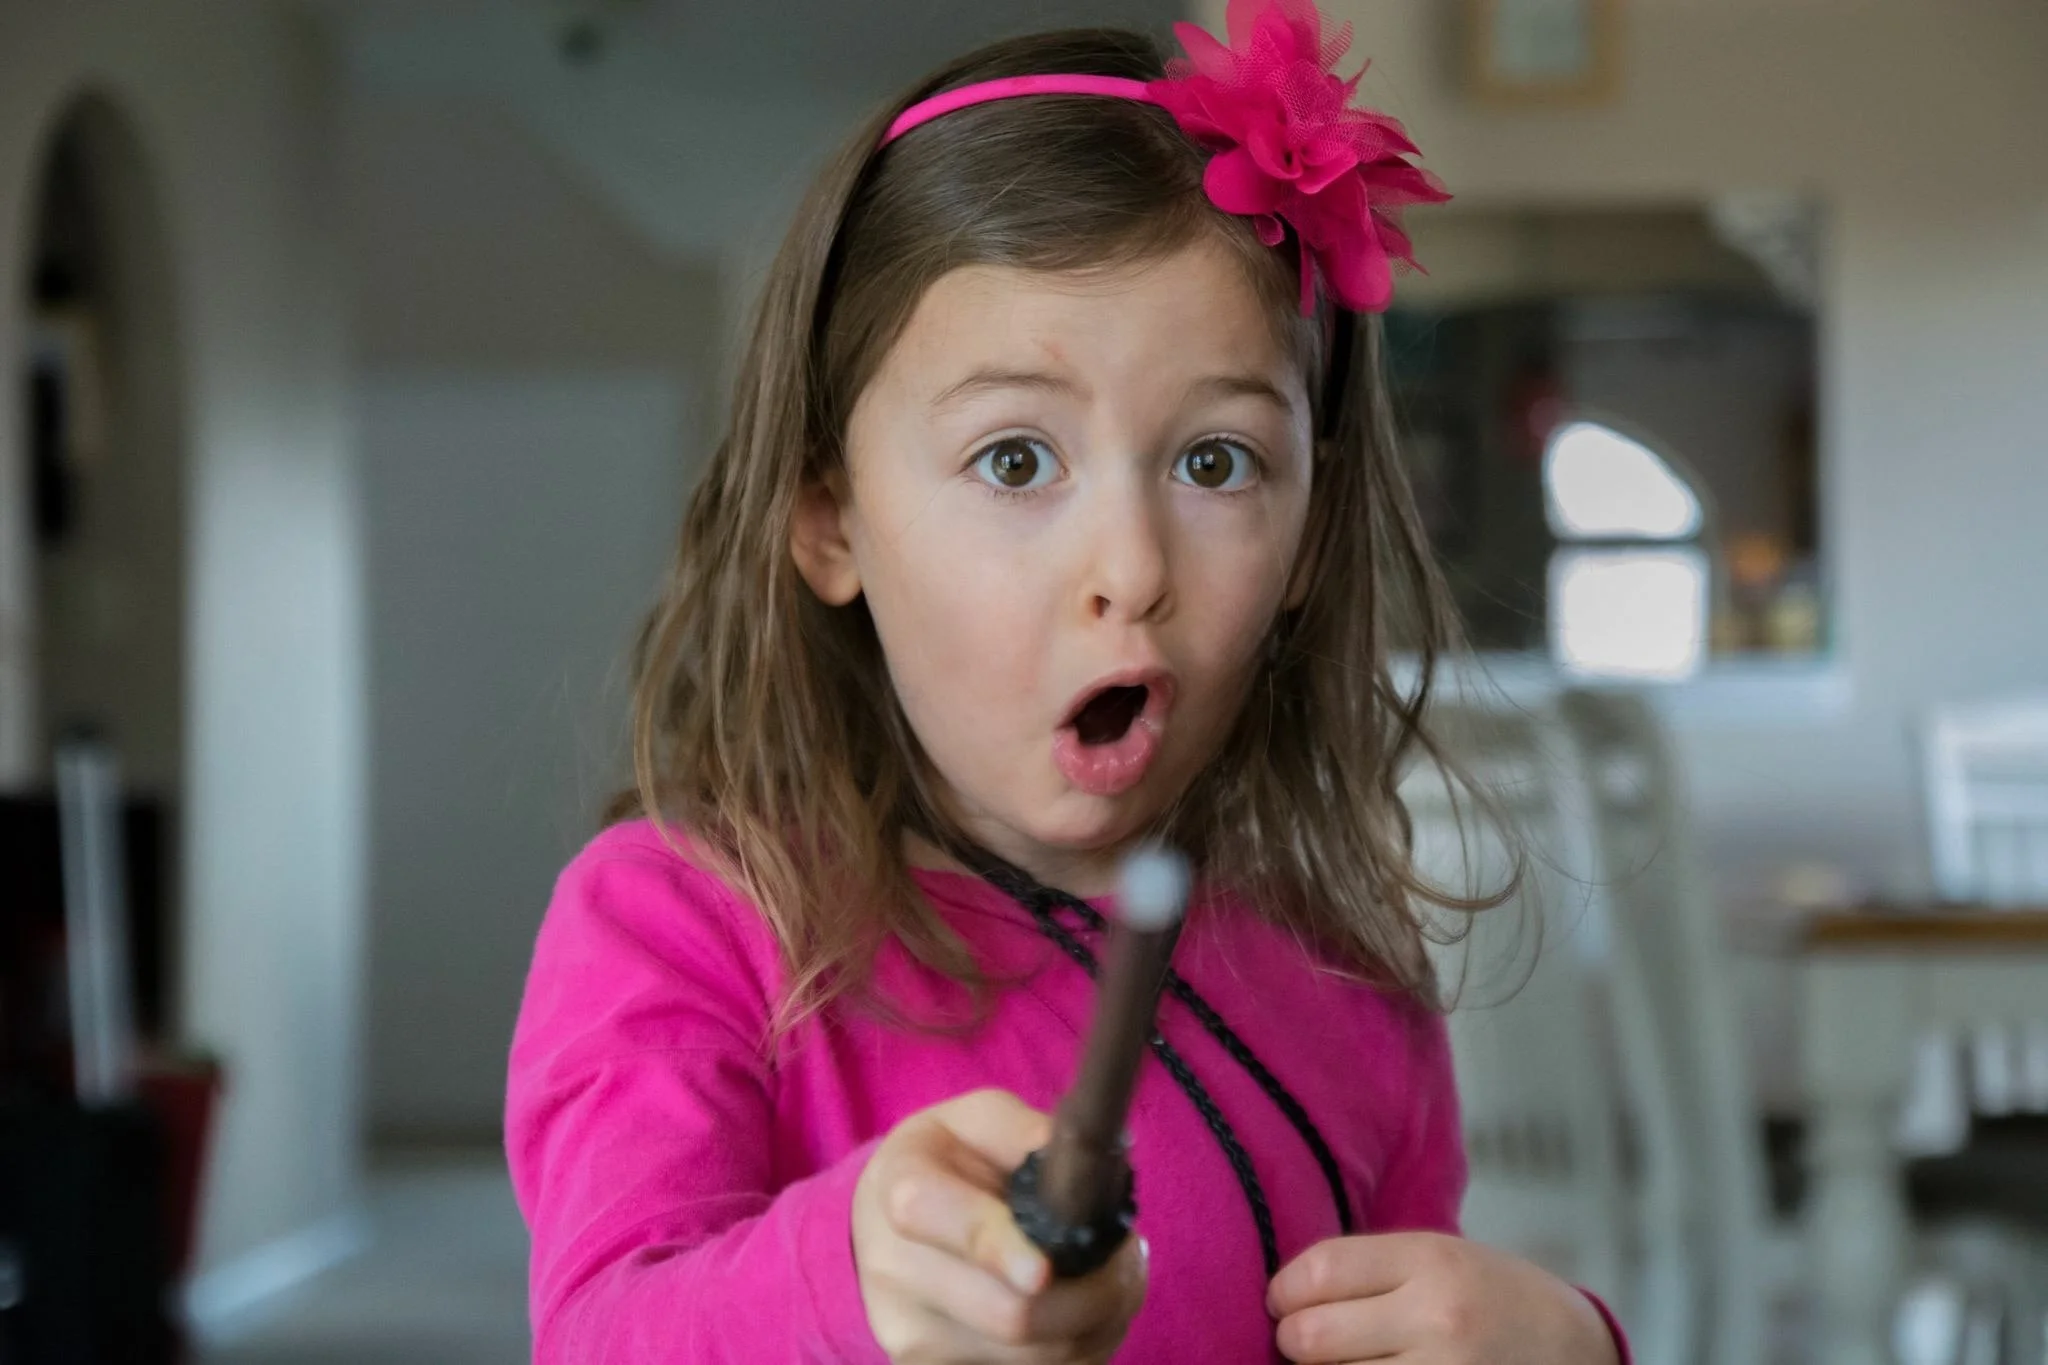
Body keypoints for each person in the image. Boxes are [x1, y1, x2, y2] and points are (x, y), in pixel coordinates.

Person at [506, 2, 1631, 1360]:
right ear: (829, 519)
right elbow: (603, 1332)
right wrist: (847, 1284)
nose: (1130, 568)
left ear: (1309, 538)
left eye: (1215, 463)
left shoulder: (1357, 992)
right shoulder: (682, 930)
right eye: (1016, 460)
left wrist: (1567, 1350)